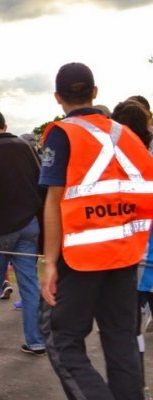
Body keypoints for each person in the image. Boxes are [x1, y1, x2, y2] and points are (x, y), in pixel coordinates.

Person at [39, 62, 153, 400]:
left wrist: (50, 263)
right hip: (124, 253)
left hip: (81, 255)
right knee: (120, 339)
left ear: (58, 97)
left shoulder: (61, 134)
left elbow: (54, 201)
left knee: (63, 340)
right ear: (95, 92)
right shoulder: (126, 135)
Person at [0, 108, 45, 356]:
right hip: (28, 225)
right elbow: (41, 181)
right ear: (4, 125)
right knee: (29, 283)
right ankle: (36, 340)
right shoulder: (25, 147)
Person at [111, 99, 153, 397]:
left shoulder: (125, 159)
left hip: (135, 260)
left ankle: (136, 386)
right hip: (138, 259)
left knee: (130, 331)